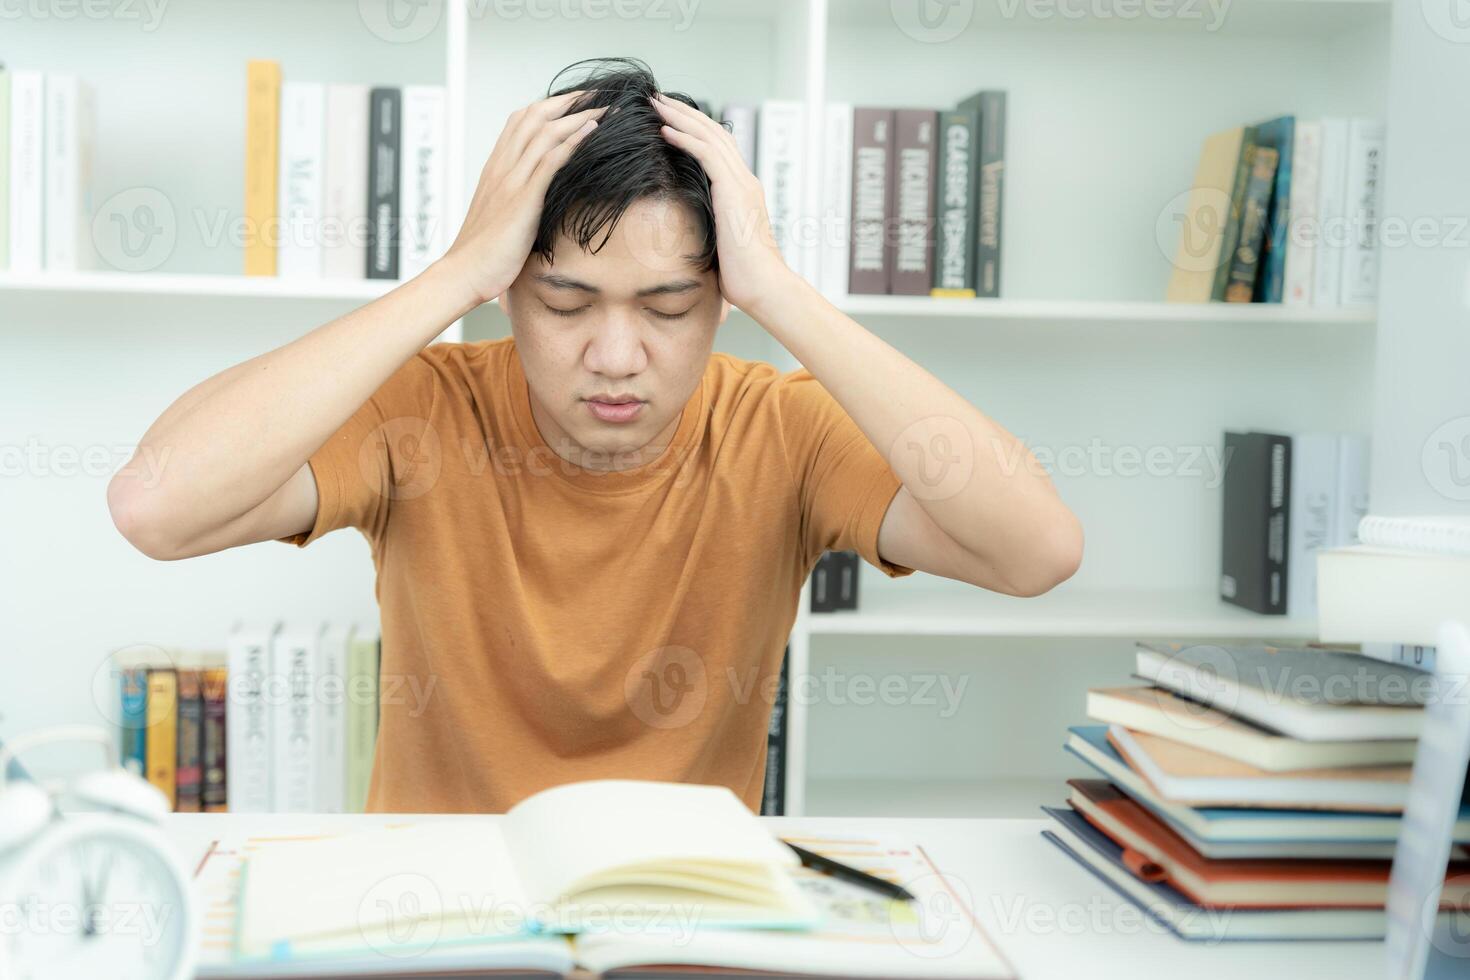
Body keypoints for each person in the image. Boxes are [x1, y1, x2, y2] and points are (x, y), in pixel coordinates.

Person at [107, 58, 1082, 813]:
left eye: (667, 305)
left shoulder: (781, 425)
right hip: (442, 920)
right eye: (567, 301)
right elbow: (157, 503)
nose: (616, 354)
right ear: (512, 289)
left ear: (721, 299)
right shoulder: (425, 408)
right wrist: (451, 274)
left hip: (678, 919)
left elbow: (1037, 549)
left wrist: (781, 288)